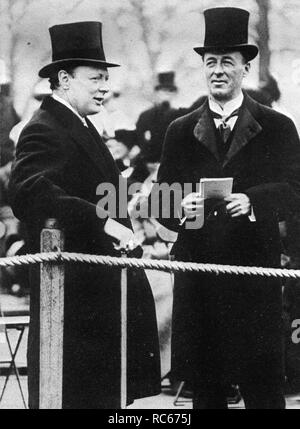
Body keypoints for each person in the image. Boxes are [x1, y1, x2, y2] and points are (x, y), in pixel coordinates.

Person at [8, 21, 160, 409]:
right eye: (95, 78)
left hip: (97, 290)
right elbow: (31, 192)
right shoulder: (43, 128)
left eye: (106, 78)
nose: (104, 87)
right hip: (73, 292)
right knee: (78, 394)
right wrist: (104, 221)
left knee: (102, 395)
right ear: (63, 79)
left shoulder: (80, 124)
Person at [155, 7, 300, 409]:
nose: (218, 71)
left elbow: (295, 189)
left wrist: (253, 201)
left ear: (245, 69)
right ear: (203, 67)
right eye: (211, 62)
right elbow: (160, 200)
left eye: (228, 63)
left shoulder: (277, 127)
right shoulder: (180, 131)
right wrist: (181, 205)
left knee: (264, 391)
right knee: (207, 392)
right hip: (201, 283)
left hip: (254, 279)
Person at [136, 71, 184, 163]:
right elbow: (140, 139)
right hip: (149, 162)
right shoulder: (145, 116)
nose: (166, 94)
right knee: (123, 176)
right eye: (163, 90)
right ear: (157, 92)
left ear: (174, 94)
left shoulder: (180, 115)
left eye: (170, 90)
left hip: (173, 162)